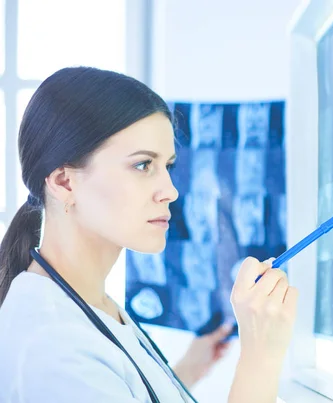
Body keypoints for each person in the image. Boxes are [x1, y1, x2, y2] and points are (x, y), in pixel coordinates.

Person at [0, 66, 298, 403]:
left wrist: (183, 372)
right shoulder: (53, 350)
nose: (170, 191)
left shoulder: (88, 303)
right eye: (143, 165)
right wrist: (260, 359)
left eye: (168, 166)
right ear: (64, 182)